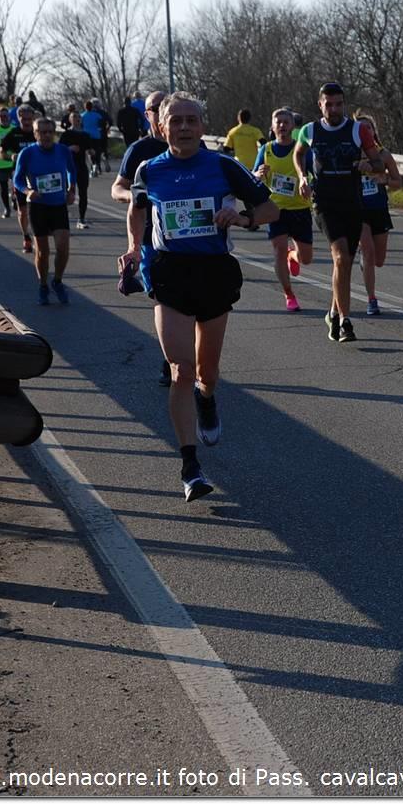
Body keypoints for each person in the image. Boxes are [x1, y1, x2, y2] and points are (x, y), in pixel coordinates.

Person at [119, 92, 278, 501]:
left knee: (206, 373)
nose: (184, 127)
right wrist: (134, 248)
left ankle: (207, 400)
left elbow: (270, 210)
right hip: (169, 272)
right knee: (181, 370)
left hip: (213, 273)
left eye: (191, 120)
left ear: (203, 126)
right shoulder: (149, 169)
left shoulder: (223, 165)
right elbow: (137, 209)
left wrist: (241, 217)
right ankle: (190, 467)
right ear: (162, 126)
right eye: (176, 120)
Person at [292, 82, 384, 343]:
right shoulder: (309, 131)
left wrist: (368, 165)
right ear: (320, 104)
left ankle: (333, 312)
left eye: (339, 104)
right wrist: (302, 177)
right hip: (324, 204)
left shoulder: (358, 130)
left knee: (344, 264)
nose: (334, 109)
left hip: (353, 203)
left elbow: (379, 163)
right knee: (341, 257)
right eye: (329, 104)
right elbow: (298, 155)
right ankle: (345, 321)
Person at [112, 89, 173, 386]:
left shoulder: (191, 144)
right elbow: (117, 188)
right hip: (151, 237)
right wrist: (135, 196)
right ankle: (171, 360)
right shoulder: (139, 150)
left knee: (190, 301)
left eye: (164, 106)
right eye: (154, 108)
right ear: (147, 115)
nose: (160, 112)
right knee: (164, 299)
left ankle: (183, 356)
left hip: (188, 238)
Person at [254, 107, 315, 312]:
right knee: (278, 250)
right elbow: (253, 175)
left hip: (300, 208)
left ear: (292, 126)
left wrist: (310, 185)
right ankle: (289, 294)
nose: (282, 125)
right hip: (275, 209)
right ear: (272, 127)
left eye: (286, 122)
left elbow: (316, 174)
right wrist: (258, 174)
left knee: (306, 258)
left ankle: (293, 256)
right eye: (278, 122)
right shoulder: (266, 150)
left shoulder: (302, 149)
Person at [13, 116, 78, 305]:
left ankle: (57, 281)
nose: (47, 136)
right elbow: (17, 179)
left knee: (63, 248)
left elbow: (72, 171)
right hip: (38, 206)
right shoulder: (27, 153)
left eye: (50, 132)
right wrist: (28, 191)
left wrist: (71, 189)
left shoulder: (63, 151)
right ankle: (43, 285)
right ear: (35, 134)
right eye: (43, 132)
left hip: (58, 205)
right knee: (42, 252)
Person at [352, 110, 401, 317]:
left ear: (373, 131)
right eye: (361, 128)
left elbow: (398, 182)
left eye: (368, 127)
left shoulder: (383, 155)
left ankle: (365, 259)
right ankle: (371, 299)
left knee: (378, 260)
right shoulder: (351, 154)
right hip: (357, 210)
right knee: (368, 250)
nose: (365, 131)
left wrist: (385, 180)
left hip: (379, 209)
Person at [0, 103, 40, 253]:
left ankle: (38, 237)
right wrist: (11, 156)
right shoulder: (14, 133)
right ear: (19, 119)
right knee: (22, 210)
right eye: (24, 120)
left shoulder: (38, 133)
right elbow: (1, 152)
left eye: (29, 119)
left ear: (33, 118)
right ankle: (26, 237)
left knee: (38, 209)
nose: (27, 122)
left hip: (38, 176)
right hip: (20, 176)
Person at [59, 112, 95, 229]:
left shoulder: (85, 135)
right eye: (74, 117)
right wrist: (69, 148)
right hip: (68, 167)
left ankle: (81, 219)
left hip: (81, 166)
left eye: (79, 117)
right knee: (67, 192)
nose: (77, 119)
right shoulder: (66, 134)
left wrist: (91, 152)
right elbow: (59, 150)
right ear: (70, 120)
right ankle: (62, 218)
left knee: (83, 193)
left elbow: (90, 149)